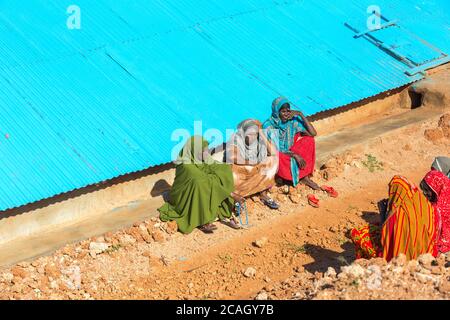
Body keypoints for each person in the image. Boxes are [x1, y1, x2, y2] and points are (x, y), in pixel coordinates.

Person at [351, 169, 450, 261]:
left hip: (401, 256)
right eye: (422, 189)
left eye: (427, 190)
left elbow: (386, 235)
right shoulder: (424, 206)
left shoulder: (428, 210)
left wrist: (384, 213)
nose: (424, 194)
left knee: (359, 234)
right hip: (423, 252)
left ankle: (367, 267)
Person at [158, 136, 244, 234]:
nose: (206, 153)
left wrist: (223, 170)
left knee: (224, 170)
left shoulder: (201, 157)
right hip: (184, 195)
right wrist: (231, 194)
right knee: (202, 184)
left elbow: (214, 166)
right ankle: (203, 220)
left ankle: (225, 206)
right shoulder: (186, 165)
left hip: (201, 181)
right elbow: (203, 179)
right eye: (203, 151)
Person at [263, 97, 320, 190]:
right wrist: (295, 155)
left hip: (289, 150)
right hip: (277, 153)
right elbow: (275, 149)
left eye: (288, 111)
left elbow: (313, 133)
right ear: (277, 112)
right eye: (283, 112)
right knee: (278, 155)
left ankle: (304, 176)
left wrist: (300, 114)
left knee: (309, 140)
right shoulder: (268, 126)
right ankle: (288, 177)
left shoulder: (292, 121)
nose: (286, 114)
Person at [227, 119, 279, 209]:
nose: (253, 137)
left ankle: (262, 192)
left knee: (273, 160)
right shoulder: (236, 139)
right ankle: (236, 197)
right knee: (235, 171)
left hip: (254, 168)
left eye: (255, 134)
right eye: (249, 134)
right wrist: (250, 162)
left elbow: (273, 152)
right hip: (243, 169)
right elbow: (231, 157)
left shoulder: (259, 139)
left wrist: (261, 134)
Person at [422, 170, 450, 254]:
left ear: (437, 187)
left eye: (427, 190)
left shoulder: (439, 208)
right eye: (424, 190)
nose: (425, 193)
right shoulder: (434, 203)